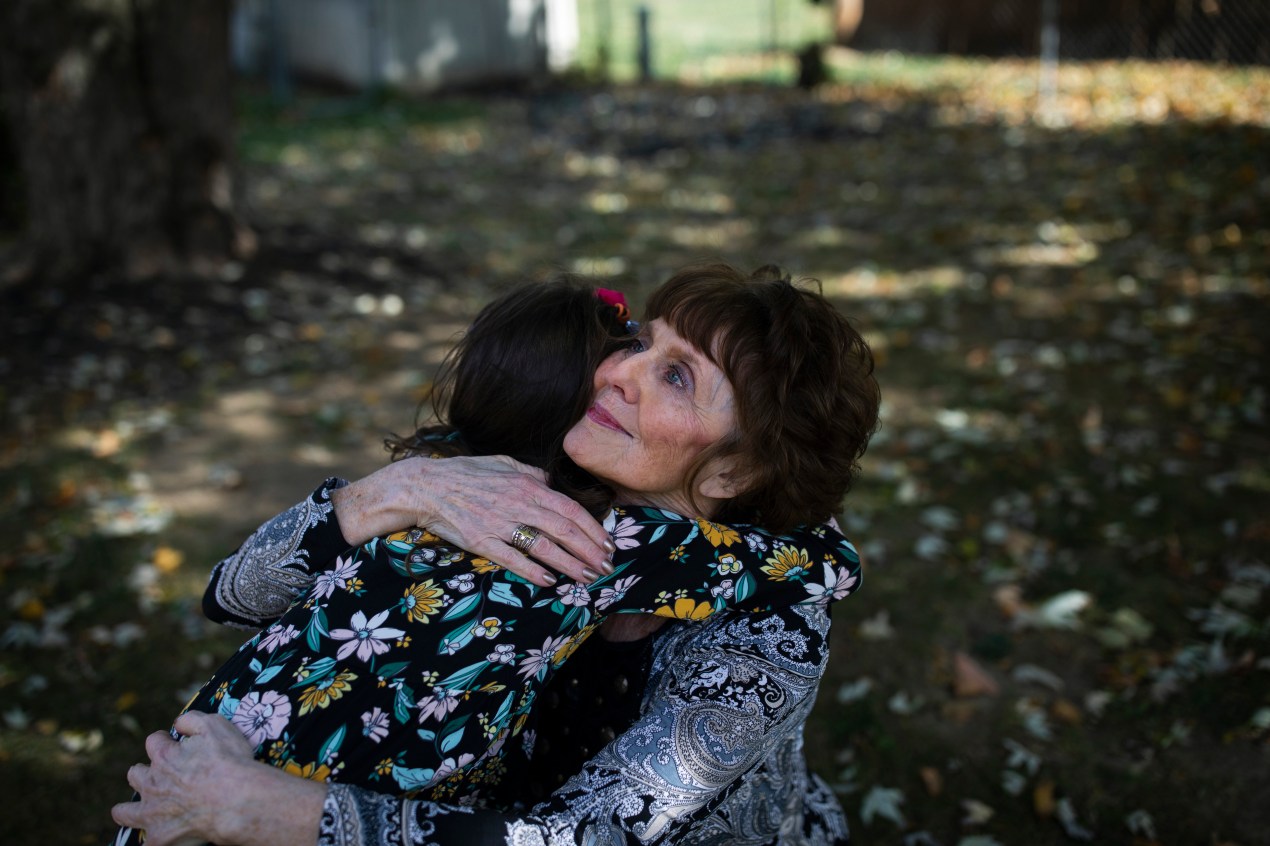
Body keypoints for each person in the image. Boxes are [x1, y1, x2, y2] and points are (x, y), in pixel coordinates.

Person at [114, 262, 880, 844]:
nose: (617, 371)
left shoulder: (765, 634)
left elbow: (585, 837)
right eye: (642, 341)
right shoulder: (505, 480)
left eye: (675, 376)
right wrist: (391, 493)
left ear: (732, 474)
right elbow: (233, 596)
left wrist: (267, 809)